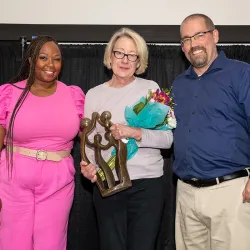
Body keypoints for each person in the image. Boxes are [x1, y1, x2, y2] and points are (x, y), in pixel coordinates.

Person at [80, 27, 173, 250]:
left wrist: (133, 132)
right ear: (110, 55)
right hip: (108, 185)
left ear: (139, 60)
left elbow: (167, 140)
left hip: (147, 186)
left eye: (132, 55)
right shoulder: (93, 94)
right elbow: (90, 144)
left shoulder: (152, 89)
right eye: (120, 53)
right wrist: (88, 167)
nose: (125, 60)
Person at [172, 13, 250, 250]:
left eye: (199, 35)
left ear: (215, 35)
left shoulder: (242, 74)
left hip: (231, 193)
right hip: (185, 194)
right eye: (186, 39)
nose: (193, 44)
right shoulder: (178, 84)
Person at [0, 35, 85, 250]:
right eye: (43, 57)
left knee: (51, 244)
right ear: (31, 60)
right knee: (14, 243)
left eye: (56, 59)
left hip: (58, 184)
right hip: (12, 181)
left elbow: (87, 139)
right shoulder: (9, 93)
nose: (50, 64)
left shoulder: (73, 95)